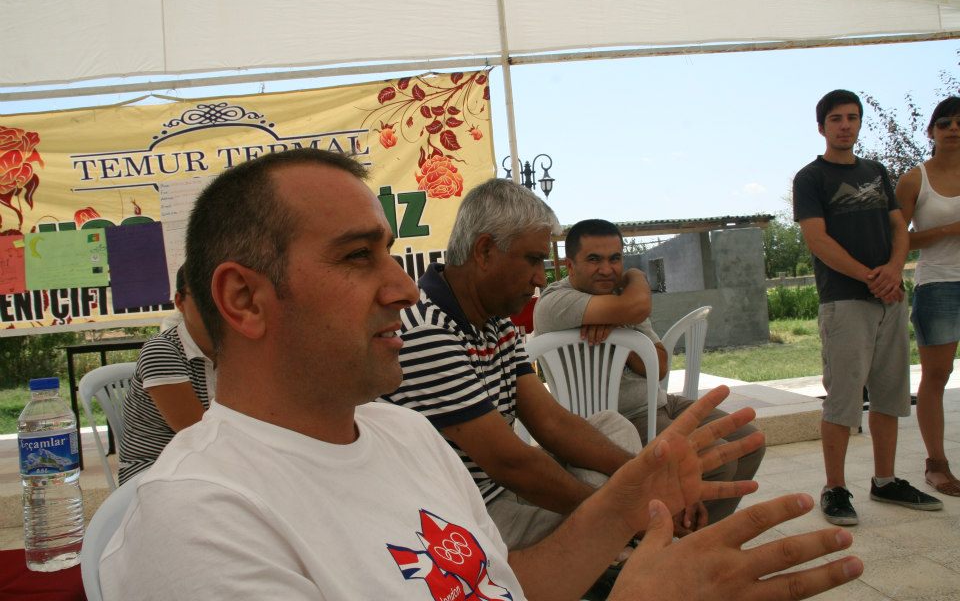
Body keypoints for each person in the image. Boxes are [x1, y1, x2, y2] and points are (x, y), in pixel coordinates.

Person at [100, 148, 864, 601]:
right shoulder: (195, 520)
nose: (402, 289)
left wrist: (623, 503)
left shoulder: (402, 433)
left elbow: (505, 585)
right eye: (358, 257)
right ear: (244, 299)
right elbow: (514, 459)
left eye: (391, 254)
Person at [385, 179, 651, 551]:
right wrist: (622, 515)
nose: (541, 278)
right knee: (608, 536)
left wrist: (645, 480)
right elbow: (510, 463)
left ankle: (618, 534)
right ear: (484, 251)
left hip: (503, 489)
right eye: (533, 259)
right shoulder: (426, 327)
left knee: (611, 425)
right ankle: (616, 544)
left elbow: (552, 423)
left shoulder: (496, 321)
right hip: (460, 513)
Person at [533, 218, 765, 531]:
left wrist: (619, 325)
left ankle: (699, 533)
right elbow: (639, 305)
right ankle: (672, 540)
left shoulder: (620, 297)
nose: (606, 269)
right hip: (621, 418)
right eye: (594, 259)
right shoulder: (555, 302)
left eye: (615, 259)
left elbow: (661, 365)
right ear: (569, 265)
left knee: (750, 441)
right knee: (717, 462)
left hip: (659, 403)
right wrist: (635, 281)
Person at [793, 89, 943, 526]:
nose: (845, 125)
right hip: (845, 302)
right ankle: (835, 488)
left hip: (891, 299)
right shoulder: (810, 178)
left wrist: (894, 270)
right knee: (843, 400)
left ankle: (885, 480)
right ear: (821, 127)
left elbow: (899, 227)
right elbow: (817, 240)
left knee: (890, 394)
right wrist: (869, 276)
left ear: (860, 123)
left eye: (852, 117)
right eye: (836, 118)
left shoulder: (876, 172)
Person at [894, 96, 960, 497]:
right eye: (945, 123)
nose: (953, 129)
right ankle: (936, 464)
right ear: (931, 131)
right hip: (938, 285)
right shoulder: (914, 180)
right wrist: (948, 230)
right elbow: (897, 238)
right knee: (938, 375)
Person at [118, 264, 215, 484]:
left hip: (206, 466)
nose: (216, 306)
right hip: (153, 472)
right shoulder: (161, 351)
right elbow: (198, 435)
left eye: (224, 295)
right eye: (204, 296)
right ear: (180, 302)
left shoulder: (236, 350)